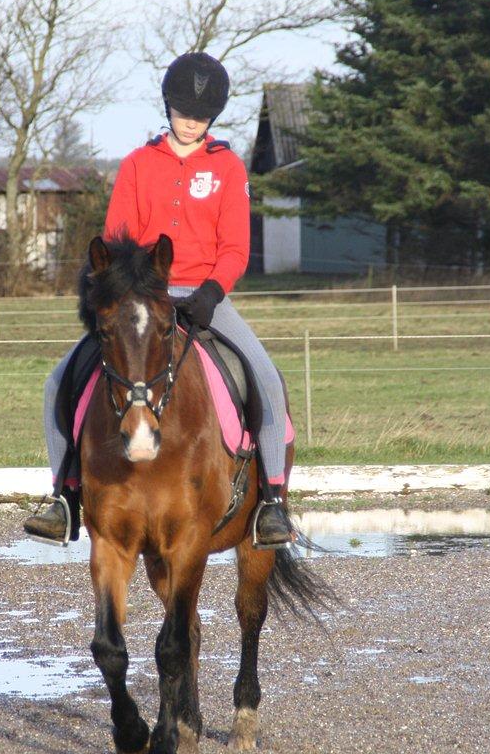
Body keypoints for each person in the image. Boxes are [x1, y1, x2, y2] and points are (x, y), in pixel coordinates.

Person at [24, 52, 291, 546]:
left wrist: (212, 292)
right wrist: (134, 290)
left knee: (267, 380)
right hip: (142, 302)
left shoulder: (228, 168)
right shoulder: (137, 165)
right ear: (168, 107)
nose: (191, 123)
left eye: (201, 116)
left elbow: (235, 247)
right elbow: (116, 240)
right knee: (57, 382)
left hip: (207, 299)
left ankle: (272, 502)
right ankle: (64, 496)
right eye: (184, 112)